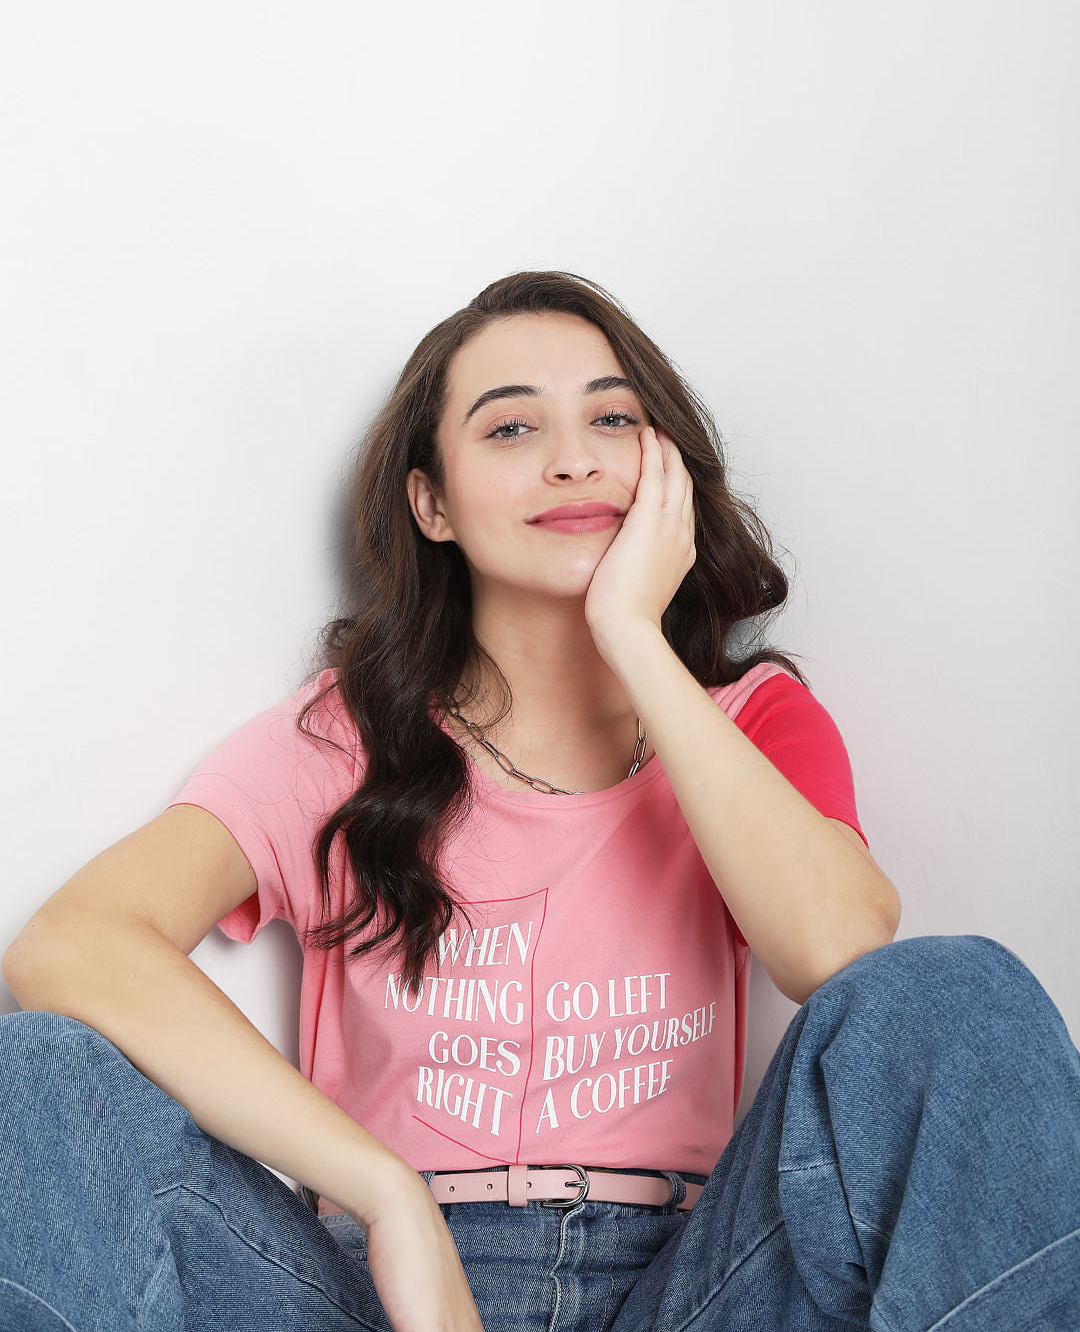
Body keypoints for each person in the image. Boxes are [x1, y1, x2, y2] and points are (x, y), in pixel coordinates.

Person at [2, 269, 1078, 1332]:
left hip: (691, 1286)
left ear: (664, 468)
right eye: (510, 430)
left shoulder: (750, 723)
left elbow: (842, 954)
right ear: (431, 502)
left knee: (958, 991)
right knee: (39, 1076)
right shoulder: (344, 738)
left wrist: (631, 636)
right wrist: (387, 1201)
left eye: (612, 418)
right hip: (381, 1300)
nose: (572, 460)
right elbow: (70, 948)